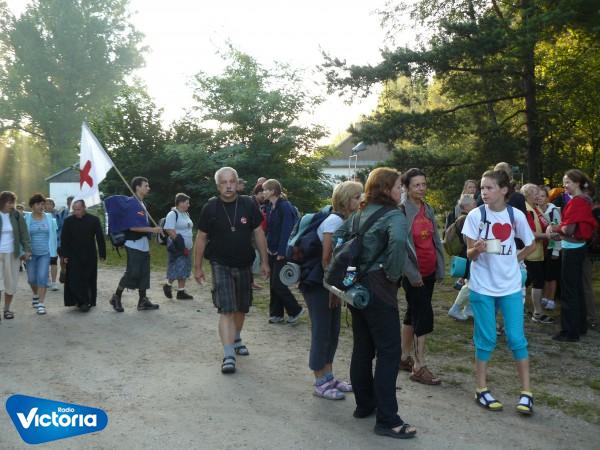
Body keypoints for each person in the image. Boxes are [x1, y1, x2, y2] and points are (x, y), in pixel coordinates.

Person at [333, 167, 416, 439]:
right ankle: (388, 420)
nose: (402, 191)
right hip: (379, 288)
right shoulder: (394, 215)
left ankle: (364, 405)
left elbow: (339, 236)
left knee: (363, 347)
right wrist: (392, 275)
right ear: (386, 189)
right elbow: (398, 243)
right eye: (399, 186)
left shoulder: (360, 212)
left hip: (356, 287)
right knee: (389, 352)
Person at [463, 169, 536, 415]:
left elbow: (531, 243)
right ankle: (481, 388)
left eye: (489, 188)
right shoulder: (476, 215)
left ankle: (526, 393)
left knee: (516, 338)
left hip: (510, 286)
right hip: (482, 286)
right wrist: (478, 249)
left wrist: (516, 259)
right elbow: (469, 254)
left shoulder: (516, 215)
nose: (484, 192)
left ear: (504, 190)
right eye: (482, 188)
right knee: (486, 339)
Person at [194, 167, 269, 374]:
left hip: (244, 263)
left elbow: (258, 232)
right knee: (226, 308)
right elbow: (201, 237)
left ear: (237, 183)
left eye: (232, 181)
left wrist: (265, 261)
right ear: (218, 186)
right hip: (220, 263)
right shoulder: (210, 208)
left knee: (241, 308)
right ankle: (228, 355)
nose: (228, 186)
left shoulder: (248, 204)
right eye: (224, 182)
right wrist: (197, 267)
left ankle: (236, 338)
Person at [300, 181, 362, 400]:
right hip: (319, 285)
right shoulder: (334, 221)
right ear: (345, 200)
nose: (361, 200)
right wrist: (333, 290)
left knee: (332, 331)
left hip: (328, 285)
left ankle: (328, 376)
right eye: (357, 197)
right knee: (321, 332)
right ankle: (320, 381)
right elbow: (327, 259)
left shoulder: (345, 220)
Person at [399, 168, 445, 386]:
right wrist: (411, 273)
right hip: (413, 275)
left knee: (413, 313)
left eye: (423, 184)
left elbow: (435, 240)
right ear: (406, 188)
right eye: (416, 185)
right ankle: (419, 366)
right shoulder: (401, 211)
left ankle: (403, 357)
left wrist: (440, 267)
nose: (421, 188)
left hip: (429, 271)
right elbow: (399, 247)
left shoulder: (427, 208)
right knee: (423, 316)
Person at [547, 169, 598, 342]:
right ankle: (580, 326)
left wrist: (554, 228)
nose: (565, 186)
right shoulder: (586, 200)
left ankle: (569, 331)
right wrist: (561, 232)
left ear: (577, 183)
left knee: (569, 291)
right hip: (579, 247)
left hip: (572, 249)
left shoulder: (577, 202)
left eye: (567, 182)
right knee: (577, 289)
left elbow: (568, 229)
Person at [109, 177, 162, 312]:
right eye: (146, 185)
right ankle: (116, 297)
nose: (148, 188)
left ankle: (143, 301)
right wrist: (153, 230)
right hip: (133, 244)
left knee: (144, 273)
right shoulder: (133, 204)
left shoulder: (142, 204)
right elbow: (132, 227)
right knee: (132, 273)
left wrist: (148, 243)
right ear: (137, 187)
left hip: (143, 244)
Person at [262, 178, 304, 324]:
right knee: (273, 284)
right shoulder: (270, 206)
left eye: (265, 190)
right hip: (272, 249)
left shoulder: (285, 207)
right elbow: (271, 230)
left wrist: (281, 252)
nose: (263, 192)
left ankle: (295, 310)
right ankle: (276, 314)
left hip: (282, 251)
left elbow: (287, 231)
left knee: (278, 284)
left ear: (273, 191)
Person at [61, 200, 106, 311]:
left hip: (89, 253)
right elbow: (64, 239)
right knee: (74, 278)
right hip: (73, 254)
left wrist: (102, 253)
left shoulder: (94, 220)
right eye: (74, 210)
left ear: (84, 208)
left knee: (88, 278)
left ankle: (87, 302)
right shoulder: (68, 221)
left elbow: (100, 237)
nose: (76, 212)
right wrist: (64, 255)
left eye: (79, 209)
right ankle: (77, 300)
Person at [521, 184, 553, 324]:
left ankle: (520, 307)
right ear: (527, 195)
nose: (538, 195)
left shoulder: (535, 208)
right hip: (531, 252)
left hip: (538, 251)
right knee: (537, 281)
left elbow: (545, 224)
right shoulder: (527, 210)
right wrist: (548, 236)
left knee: (526, 281)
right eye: (535, 193)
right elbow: (530, 233)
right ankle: (538, 313)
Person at [24, 194, 58, 315]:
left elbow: (53, 235)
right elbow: (23, 236)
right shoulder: (27, 218)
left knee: (42, 276)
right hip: (31, 254)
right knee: (31, 279)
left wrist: (54, 250)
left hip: (45, 253)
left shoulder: (49, 217)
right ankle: (35, 294)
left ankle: (41, 304)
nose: (41, 206)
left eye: (42, 204)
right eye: (38, 204)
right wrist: (24, 251)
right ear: (32, 206)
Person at [0, 191, 31, 321]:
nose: (11, 205)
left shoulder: (17, 215)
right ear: (2, 202)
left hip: (13, 254)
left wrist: (27, 250)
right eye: (9, 202)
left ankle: (7, 309)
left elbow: (24, 234)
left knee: (11, 283)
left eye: (13, 202)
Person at [447, 194, 477, 321]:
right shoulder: (466, 219)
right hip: (468, 254)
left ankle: (469, 309)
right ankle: (455, 308)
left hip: (466, 253)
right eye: (473, 203)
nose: (476, 205)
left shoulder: (461, 218)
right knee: (471, 283)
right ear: (465, 206)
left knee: (472, 282)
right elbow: (467, 239)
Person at [162, 193, 194, 300]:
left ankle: (181, 292)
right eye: (187, 203)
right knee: (177, 267)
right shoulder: (172, 214)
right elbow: (168, 229)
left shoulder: (186, 214)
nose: (188, 205)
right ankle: (168, 285)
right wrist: (179, 242)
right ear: (180, 203)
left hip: (188, 247)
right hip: (177, 247)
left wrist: (187, 245)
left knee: (185, 268)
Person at [538, 187, 561, 310]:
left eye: (542, 196)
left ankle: (551, 299)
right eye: (538, 195)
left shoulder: (553, 211)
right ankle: (545, 297)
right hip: (540, 247)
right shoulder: (535, 210)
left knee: (551, 275)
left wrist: (556, 250)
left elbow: (558, 232)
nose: (539, 198)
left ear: (547, 198)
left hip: (552, 247)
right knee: (544, 274)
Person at [44, 198, 61, 291]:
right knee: (45, 262)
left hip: (55, 242)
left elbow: (60, 228)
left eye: (51, 204)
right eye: (47, 203)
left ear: (53, 205)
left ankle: (54, 282)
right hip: (43, 242)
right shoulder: (40, 215)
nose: (49, 205)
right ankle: (47, 279)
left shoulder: (58, 215)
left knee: (54, 262)